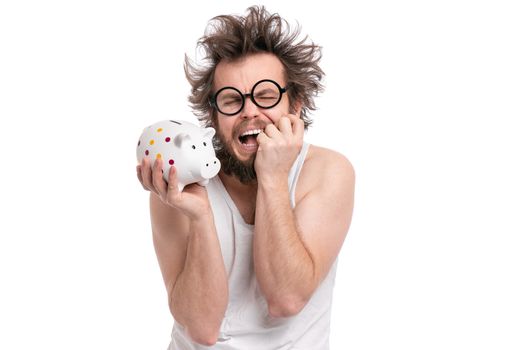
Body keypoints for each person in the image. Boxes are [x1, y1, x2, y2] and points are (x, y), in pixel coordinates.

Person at [136, 6, 355, 349]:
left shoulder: (328, 172)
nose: (250, 111)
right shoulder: (176, 186)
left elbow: (286, 299)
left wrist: (273, 176)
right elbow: (202, 330)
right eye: (231, 100)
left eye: (266, 95)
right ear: (213, 115)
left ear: (295, 105)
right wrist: (200, 214)